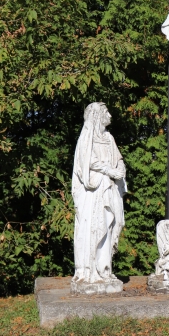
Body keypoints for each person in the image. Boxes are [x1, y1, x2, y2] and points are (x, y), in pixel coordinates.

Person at [72, 102, 127, 284]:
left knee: (112, 224)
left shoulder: (109, 138)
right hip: (94, 192)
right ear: (97, 116)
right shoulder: (87, 138)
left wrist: (119, 168)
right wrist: (110, 171)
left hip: (109, 189)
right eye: (106, 112)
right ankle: (91, 271)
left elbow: (118, 158)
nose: (110, 115)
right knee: (96, 227)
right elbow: (87, 163)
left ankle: (105, 269)